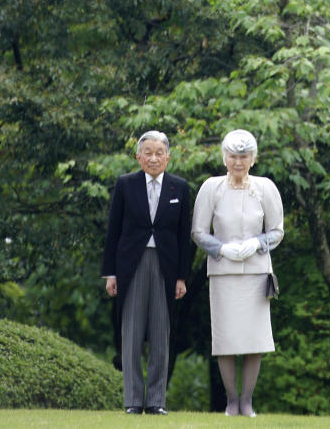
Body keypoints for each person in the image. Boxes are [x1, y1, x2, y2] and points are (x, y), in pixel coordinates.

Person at [191, 129, 284, 417]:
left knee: (254, 339)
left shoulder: (266, 187)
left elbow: (277, 230)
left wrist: (257, 243)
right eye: (233, 156)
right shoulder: (211, 188)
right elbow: (198, 231)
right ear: (224, 157)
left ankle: (248, 401)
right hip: (223, 274)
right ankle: (231, 401)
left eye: (244, 156)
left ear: (253, 159)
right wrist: (222, 250)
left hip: (256, 273)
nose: (238, 162)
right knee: (227, 339)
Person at [101, 130, 194, 415]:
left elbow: (184, 237)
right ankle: (132, 400)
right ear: (138, 157)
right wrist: (111, 274)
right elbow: (113, 231)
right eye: (148, 153)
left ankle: (156, 401)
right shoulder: (125, 185)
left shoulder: (180, 188)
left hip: (166, 267)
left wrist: (182, 276)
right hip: (131, 264)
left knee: (160, 333)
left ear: (168, 156)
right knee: (130, 334)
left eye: (159, 152)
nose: (153, 158)